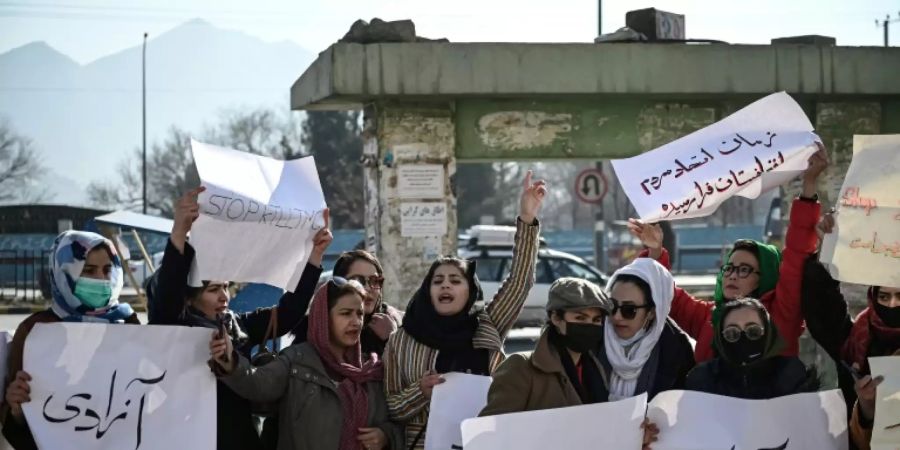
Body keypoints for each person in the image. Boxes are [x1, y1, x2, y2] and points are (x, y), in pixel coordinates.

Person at [147, 186, 332, 450]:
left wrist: (314, 257)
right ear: (189, 298)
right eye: (213, 289)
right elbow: (167, 298)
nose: (224, 296)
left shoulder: (237, 327)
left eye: (226, 287)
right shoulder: (174, 327)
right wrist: (179, 231)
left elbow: (288, 314)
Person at [384, 170, 546, 449]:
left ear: (470, 292)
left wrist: (527, 219)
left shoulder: (487, 325)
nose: (445, 286)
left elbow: (520, 282)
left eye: (455, 280)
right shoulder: (402, 340)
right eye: (438, 281)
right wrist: (420, 392)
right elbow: (391, 408)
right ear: (428, 291)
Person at [628, 143, 829, 362]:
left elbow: (797, 253)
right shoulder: (709, 317)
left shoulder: (781, 315)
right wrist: (655, 249)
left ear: (765, 279)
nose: (732, 275)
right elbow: (665, 294)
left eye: (744, 270)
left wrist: (809, 184)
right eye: (729, 268)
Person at [209, 277, 403, 450]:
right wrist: (230, 361)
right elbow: (258, 384)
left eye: (359, 314)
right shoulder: (297, 361)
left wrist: (385, 435)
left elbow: (398, 422)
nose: (355, 322)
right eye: (345, 313)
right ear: (323, 319)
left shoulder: (373, 369)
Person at [1, 230, 140, 449]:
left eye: (106, 270)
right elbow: (17, 427)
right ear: (64, 271)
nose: (102, 280)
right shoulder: (36, 329)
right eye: (89, 270)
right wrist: (16, 408)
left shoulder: (127, 322)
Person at [801, 212, 900, 450]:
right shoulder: (856, 340)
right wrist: (828, 253)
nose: (892, 305)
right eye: (884, 296)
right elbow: (823, 311)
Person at [599, 258, 695, 402]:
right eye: (611, 306)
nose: (617, 317)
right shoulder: (592, 339)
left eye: (629, 310)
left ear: (651, 312)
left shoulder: (676, 350)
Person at [685, 297, 818, 399]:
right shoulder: (703, 378)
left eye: (753, 331)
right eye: (732, 333)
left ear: (768, 332)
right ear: (720, 338)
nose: (743, 338)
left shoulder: (791, 374)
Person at [290, 250, 403, 357]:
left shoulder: (397, 324)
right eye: (358, 280)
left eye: (374, 281)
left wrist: (392, 338)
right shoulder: (315, 331)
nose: (368, 288)